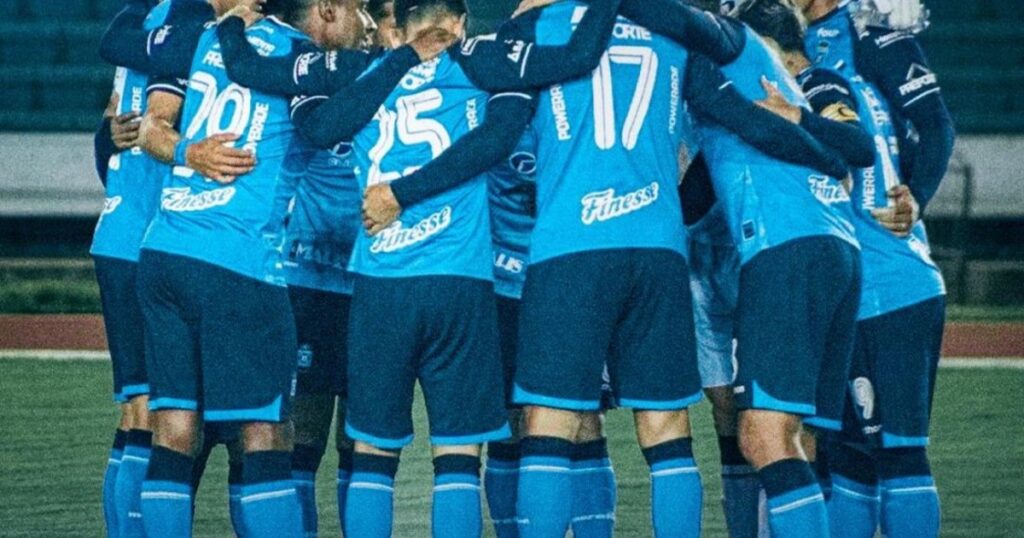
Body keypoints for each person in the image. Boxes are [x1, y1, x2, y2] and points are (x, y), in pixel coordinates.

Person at [132, 0, 370, 534]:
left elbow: (151, 129)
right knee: (265, 433)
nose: (364, 23)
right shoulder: (303, 62)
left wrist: (189, 152)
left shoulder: (206, 41)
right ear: (327, 10)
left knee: (173, 429)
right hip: (239, 264)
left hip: (165, 249)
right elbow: (329, 133)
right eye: (357, 9)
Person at [742, 1, 949, 536]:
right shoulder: (791, 38)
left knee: (897, 451)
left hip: (885, 273)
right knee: (846, 452)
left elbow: (934, 125)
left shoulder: (872, 35)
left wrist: (916, 199)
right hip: (842, 274)